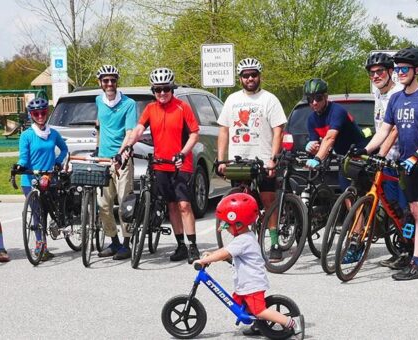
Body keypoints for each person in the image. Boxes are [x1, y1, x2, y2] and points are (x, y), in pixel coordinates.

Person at [354, 47, 418, 280]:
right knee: (411, 209)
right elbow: (384, 130)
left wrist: (417, 155)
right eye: (397, 69)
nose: (399, 73)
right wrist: (365, 149)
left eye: (404, 69)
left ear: (417, 70)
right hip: (405, 162)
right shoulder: (395, 98)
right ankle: (414, 254)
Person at [194, 193, 304, 338]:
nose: (225, 229)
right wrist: (211, 255)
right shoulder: (243, 237)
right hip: (246, 283)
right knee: (240, 304)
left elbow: (225, 253)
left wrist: (205, 260)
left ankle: (292, 323)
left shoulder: (243, 240)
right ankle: (258, 325)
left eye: (227, 225)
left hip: (252, 284)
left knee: (258, 310)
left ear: (238, 224)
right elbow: (226, 251)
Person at [123, 68, 201, 264]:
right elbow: (139, 130)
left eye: (166, 89)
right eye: (158, 90)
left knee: (184, 205)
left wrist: (183, 153)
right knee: (172, 206)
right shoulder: (150, 109)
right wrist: (126, 147)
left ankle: (193, 246)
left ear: (172, 89)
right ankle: (181, 245)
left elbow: (194, 134)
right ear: (153, 91)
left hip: (181, 163)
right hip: (160, 164)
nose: (162, 93)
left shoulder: (182, 107)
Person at [217, 58, 287, 262]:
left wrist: (273, 159)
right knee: (237, 204)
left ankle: (274, 243)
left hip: (263, 159)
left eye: (253, 74)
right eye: (246, 75)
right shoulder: (231, 100)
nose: (250, 78)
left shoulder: (269, 99)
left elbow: (278, 131)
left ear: (259, 76)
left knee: (268, 200)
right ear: (240, 78)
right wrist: (221, 159)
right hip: (238, 161)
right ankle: (242, 245)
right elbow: (224, 130)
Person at [365, 52, 408, 268]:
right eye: (372, 73)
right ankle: (402, 246)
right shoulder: (379, 96)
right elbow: (381, 129)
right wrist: (366, 150)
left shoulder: (398, 93)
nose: (375, 76)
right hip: (387, 159)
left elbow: (396, 130)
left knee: (404, 205)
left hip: (402, 157)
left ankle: (413, 249)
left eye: (380, 71)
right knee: (392, 207)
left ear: (390, 71)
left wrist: (381, 152)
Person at [13, 97, 68, 261]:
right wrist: (20, 166)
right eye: (36, 113)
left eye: (43, 112)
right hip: (30, 180)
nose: (40, 116)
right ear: (31, 115)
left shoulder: (53, 134)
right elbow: (23, 157)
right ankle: (39, 244)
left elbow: (64, 149)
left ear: (47, 113)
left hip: (48, 177)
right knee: (37, 213)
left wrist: (58, 162)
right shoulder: (27, 135)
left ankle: (47, 237)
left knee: (48, 211)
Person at [92, 65, 137, 260]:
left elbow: (129, 133)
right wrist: (97, 147)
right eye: (105, 80)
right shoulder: (98, 101)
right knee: (103, 204)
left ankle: (127, 243)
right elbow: (100, 126)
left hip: (122, 159)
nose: (109, 84)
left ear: (117, 81)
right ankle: (114, 241)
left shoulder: (129, 104)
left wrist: (121, 155)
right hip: (103, 159)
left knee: (124, 202)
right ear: (100, 83)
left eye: (112, 80)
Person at [303, 78, 367, 191]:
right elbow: (317, 147)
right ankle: (351, 209)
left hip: (360, 152)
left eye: (318, 98)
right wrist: (311, 147)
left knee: (359, 190)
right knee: (346, 190)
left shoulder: (337, 111)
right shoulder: (311, 120)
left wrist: (317, 159)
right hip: (343, 156)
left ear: (326, 97)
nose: (314, 102)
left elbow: (330, 138)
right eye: (310, 99)